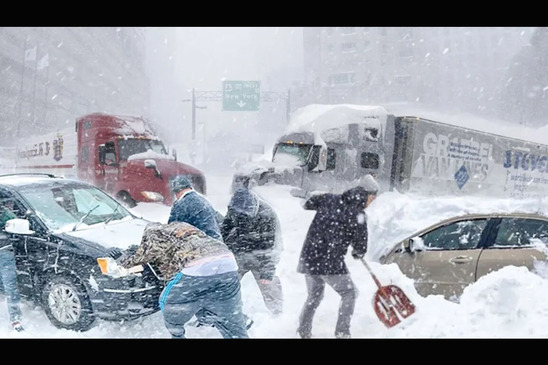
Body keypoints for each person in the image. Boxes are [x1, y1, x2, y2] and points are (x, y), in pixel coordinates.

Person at [118, 221, 249, 339]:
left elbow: (140, 257)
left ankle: (177, 335)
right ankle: (227, 325)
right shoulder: (182, 228)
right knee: (228, 319)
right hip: (227, 261)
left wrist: (121, 260)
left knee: (167, 302)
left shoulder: (153, 233)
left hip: (199, 264)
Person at [296, 174, 379, 339]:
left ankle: (304, 331)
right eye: (373, 198)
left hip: (309, 258)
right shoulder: (359, 214)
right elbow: (360, 247)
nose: (372, 202)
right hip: (330, 261)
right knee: (350, 293)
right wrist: (358, 252)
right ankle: (342, 333)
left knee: (314, 295)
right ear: (367, 195)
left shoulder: (329, 199)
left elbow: (308, 203)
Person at [221, 175, 284, 316]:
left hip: (262, 254)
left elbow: (271, 248)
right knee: (227, 282)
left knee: (269, 284)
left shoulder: (267, 215)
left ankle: (277, 313)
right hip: (240, 249)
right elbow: (225, 228)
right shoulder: (235, 208)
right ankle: (225, 312)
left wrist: (267, 272)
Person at [168, 175, 223, 241]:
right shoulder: (203, 200)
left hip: (202, 245)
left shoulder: (180, 204)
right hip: (218, 243)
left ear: (177, 192)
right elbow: (220, 219)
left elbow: (172, 228)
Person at [0, 201, 24, 332]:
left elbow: (17, 225)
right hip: (4, 252)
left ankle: (15, 318)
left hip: (4, 252)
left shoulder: (4, 214)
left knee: (10, 286)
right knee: (9, 286)